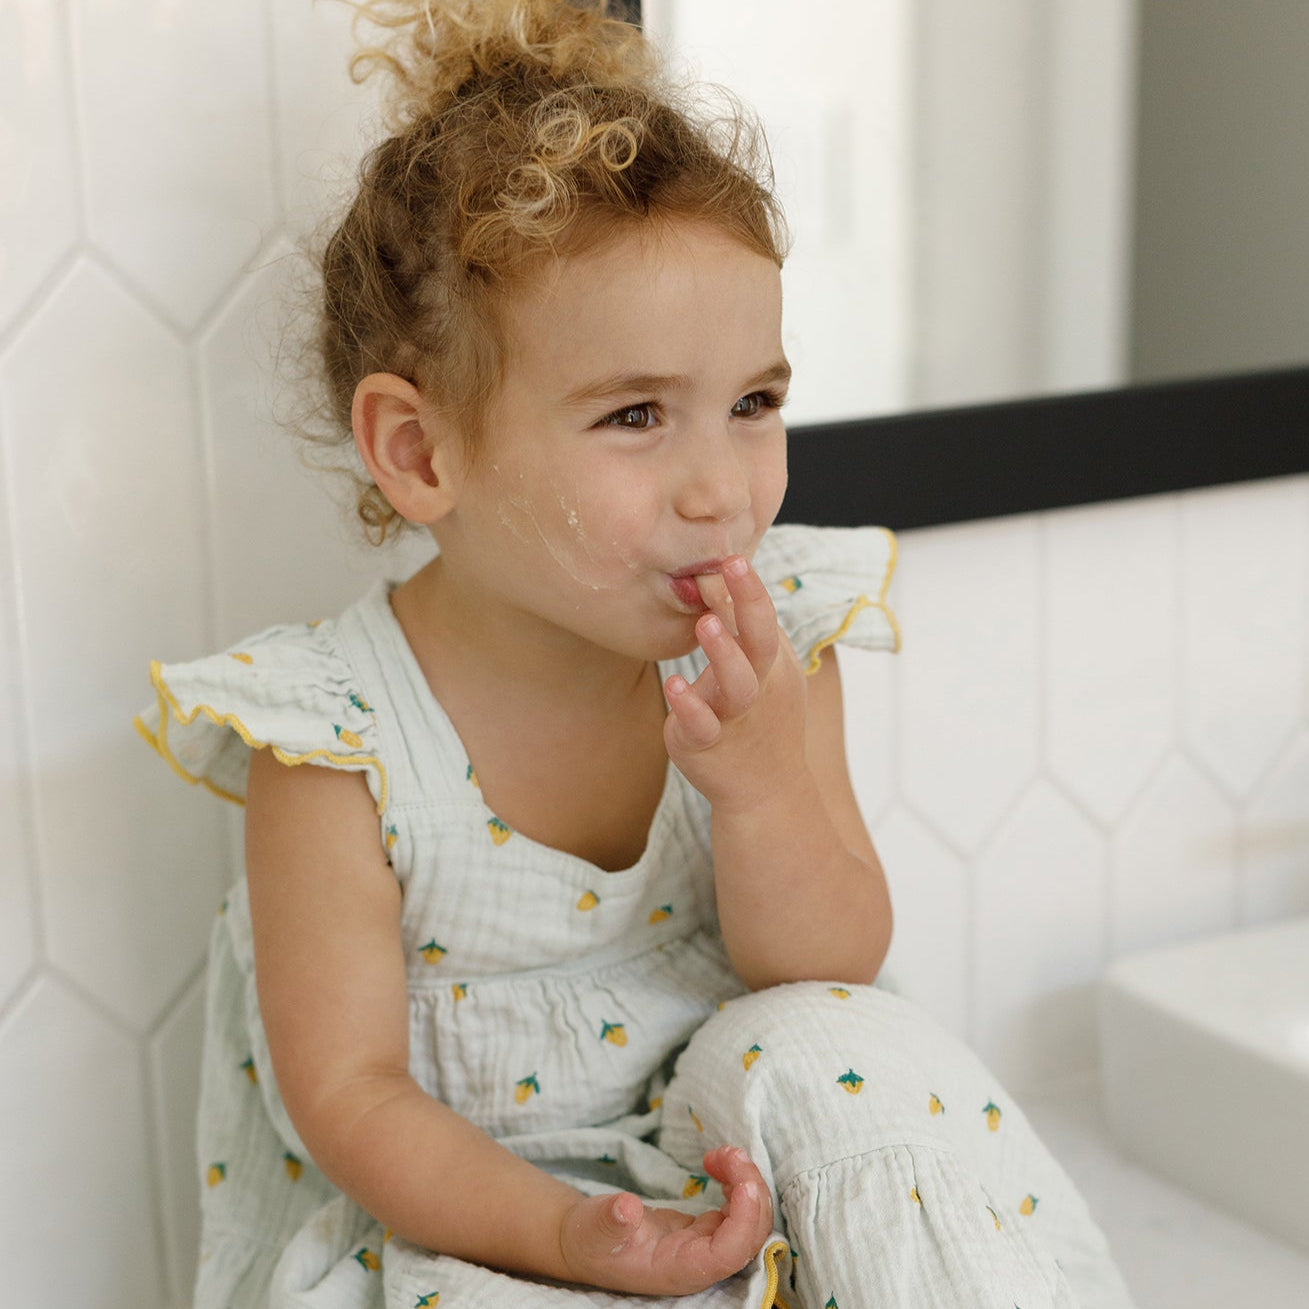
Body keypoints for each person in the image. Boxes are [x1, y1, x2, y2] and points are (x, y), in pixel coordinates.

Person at [136, 2, 1135, 1305]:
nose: (720, 487)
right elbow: (347, 1098)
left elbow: (826, 964)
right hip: (475, 1224)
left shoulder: (764, 639)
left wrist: (766, 787)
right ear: (420, 453)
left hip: (734, 1168)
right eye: (636, 415)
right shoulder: (335, 734)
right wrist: (566, 1235)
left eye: (753, 405)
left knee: (863, 1045)